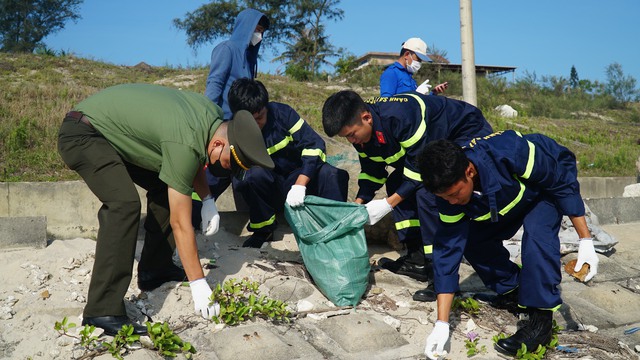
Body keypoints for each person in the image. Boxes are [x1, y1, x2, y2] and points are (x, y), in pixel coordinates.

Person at [57, 83, 274, 336]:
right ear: (218, 144)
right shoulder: (187, 139)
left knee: (164, 186)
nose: (225, 170)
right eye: (227, 163)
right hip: (84, 134)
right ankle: (101, 310)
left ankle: (154, 270)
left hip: (112, 134)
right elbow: (180, 222)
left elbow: (192, 159)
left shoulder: (211, 116)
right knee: (123, 205)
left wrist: (206, 199)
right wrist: (198, 282)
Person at [418, 131, 599, 358]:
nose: (452, 202)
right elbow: (447, 251)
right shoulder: (446, 189)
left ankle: (540, 322)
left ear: (469, 172)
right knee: (471, 240)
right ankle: (514, 291)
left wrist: (585, 240)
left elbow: (559, 182)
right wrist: (442, 324)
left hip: (546, 183)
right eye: (446, 198)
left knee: (536, 238)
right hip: (512, 195)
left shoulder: (510, 151)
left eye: (454, 194)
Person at [321, 90, 493, 300]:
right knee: (396, 183)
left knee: (429, 192)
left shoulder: (402, 116)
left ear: (366, 118)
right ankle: (417, 258)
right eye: (345, 137)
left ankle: (440, 274)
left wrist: (387, 204)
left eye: (351, 134)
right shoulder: (362, 135)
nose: (351, 141)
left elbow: (419, 171)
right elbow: (372, 173)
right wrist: (357, 206)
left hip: (464, 132)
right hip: (430, 148)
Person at [225, 78, 349, 248]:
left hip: (296, 184)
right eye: (250, 122)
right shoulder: (232, 131)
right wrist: (205, 203)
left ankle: (337, 230)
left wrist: (300, 184)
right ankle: (263, 230)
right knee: (252, 175)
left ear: (266, 107)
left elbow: (314, 145)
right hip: (268, 192)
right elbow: (218, 171)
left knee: (331, 173)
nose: (256, 125)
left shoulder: (283, 114)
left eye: (259, 118)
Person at [205, 8, 270, 120]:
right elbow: (215, 83)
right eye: (257, 30)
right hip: (222, 120)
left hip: (240, 122)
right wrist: (208, 117)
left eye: (261, 32)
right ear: (246, 28)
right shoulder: (227, 49)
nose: (259, 36)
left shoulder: (249, 58)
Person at [379, 37, 448, 97]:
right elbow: (386, 104)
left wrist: (433, 93)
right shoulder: (391, 73)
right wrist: (416, 94)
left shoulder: (410, 78)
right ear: (407, 55)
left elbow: (415, 105)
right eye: (418, 59)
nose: (419, 63)